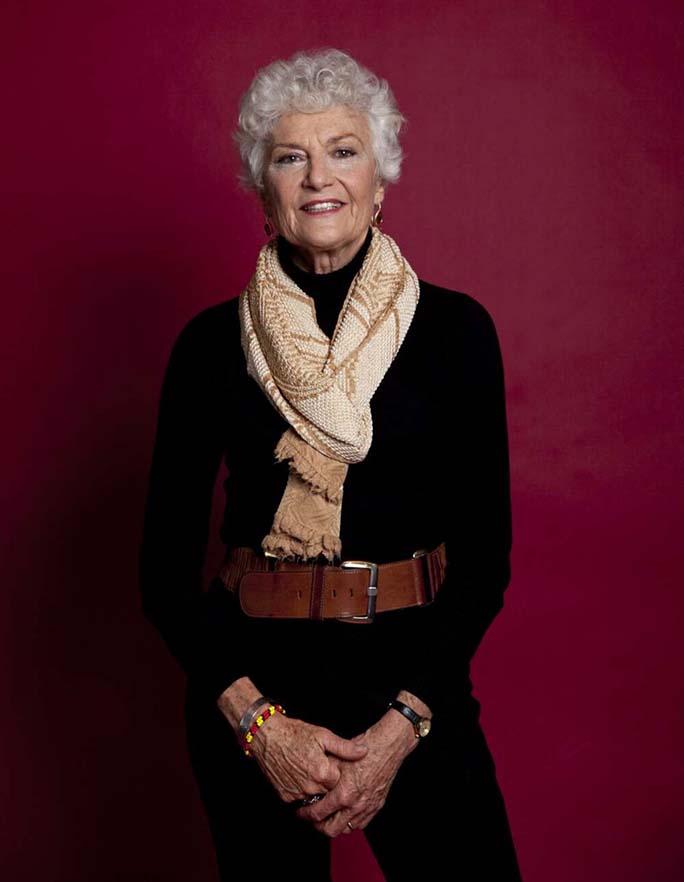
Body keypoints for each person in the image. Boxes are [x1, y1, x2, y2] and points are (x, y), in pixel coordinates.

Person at [139, 47, 524, 881]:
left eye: (343, 150)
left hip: (414, 684)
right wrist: (257, 723)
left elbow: (485, 560)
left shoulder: (457, 334)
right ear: (262, 189)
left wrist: (403, 724)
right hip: (256, 685)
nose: (319, 176)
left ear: (380, 180)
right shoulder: (210, 346)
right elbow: (163, 574)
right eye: (290, 156)